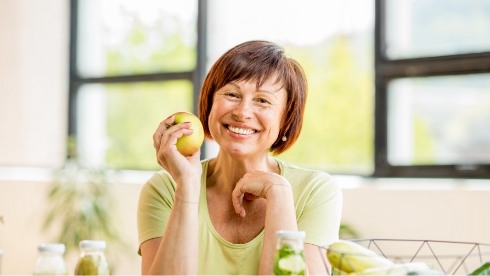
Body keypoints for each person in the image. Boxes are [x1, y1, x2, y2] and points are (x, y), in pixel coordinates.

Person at [137, 40, 343, 275]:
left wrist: (279, 193)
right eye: (232, 94)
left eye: (263, 100)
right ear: (210, 103)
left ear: (285, 119)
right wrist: (187, 186)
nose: (242, 112)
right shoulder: (164, 189)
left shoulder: (315, 191)